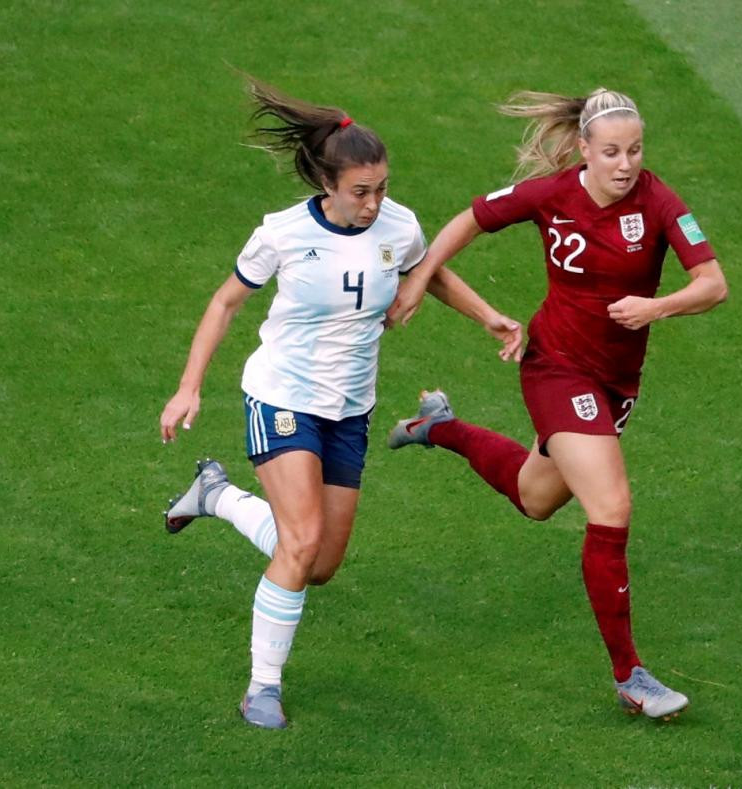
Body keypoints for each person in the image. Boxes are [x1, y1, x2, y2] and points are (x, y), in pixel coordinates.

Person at [159, 77, 522, 729]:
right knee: (298, 543)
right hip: (282, 396)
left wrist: (488, 316)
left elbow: (427, 270)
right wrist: (189, 385)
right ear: (326, 184)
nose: (373, 201)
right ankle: (261, 689)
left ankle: (215, 494)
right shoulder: (283, 233)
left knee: (317, 563)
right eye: (361, 191)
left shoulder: (398, 223)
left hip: (350, 408)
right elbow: (224, 302)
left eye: (382, 186)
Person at [385, 88, 728, 720]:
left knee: (535, 497)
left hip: (616, 382)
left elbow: (713, 284)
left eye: (635, 150)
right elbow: (469, 218)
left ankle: (440, 427)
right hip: (556, 369)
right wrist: (419, 274)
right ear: (584, 151)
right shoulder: (552, 194)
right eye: (611, 152)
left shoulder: (659, 202)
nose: (625, 164)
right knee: (612, 505)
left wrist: (657, 307)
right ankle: (631, 676)